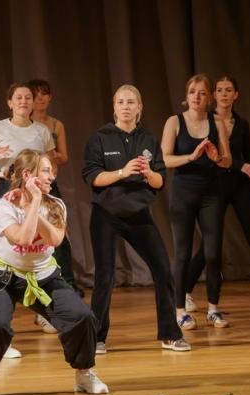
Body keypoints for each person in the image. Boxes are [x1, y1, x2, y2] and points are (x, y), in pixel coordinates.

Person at [0, 149, 108, 395]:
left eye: (52, 171)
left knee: (82, 317)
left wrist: (32, 206)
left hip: (42, 275)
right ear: (28, 175)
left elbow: (55, 239)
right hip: (0, 276)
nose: (52, 177)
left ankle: (84, 374)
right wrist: (32, 204)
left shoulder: (56, 204)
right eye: (46, 171)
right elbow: (23, 238)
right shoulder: (4, 205)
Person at [82, 84, 189, 355]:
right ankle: (97, 338)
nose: (126, 107)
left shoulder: (149, 139)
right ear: (114, 107)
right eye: (120, 102)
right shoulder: (100, 137)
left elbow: (160, 180)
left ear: (139, 107)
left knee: (163, 270)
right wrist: (122, 171)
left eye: (131, 102)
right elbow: (93, 177)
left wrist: (148, 173)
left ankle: (170, 334)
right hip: (106, 214)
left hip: (138, 214)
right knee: (105, 276)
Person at [184, 77, 250, 312]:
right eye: (219, 90)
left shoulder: (242, 124)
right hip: (214, 187)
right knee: (209, 245)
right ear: (214, 95)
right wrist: (240, 165)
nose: (224, 94)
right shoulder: (207, 121)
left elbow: (248, 158)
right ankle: (184, 292)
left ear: (236, 95)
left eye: (229, 90)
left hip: (239, 186)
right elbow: (210, 157)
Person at [0, 83, 62, 337]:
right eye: (18, 97)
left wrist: (46, 181)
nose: (23, 101)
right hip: (6, 187)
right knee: (11, 244)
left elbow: (52, 161)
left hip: (36, 190)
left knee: (42, 242)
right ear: (9, 102)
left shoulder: (41, 130)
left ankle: (44, 311)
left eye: (28, 97)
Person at [161, 74, 232, 330]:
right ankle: (180, 311)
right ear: (186, 95)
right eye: (192, 92)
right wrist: (191, 157)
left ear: (209, 97)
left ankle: (213, 309)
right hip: (183, 194)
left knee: (213, 254)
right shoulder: (174, 122)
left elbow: (228, 160)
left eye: (202, 93)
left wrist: (216, 158)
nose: (196, 97)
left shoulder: (217, 122)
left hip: (211, 194)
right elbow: (164, 159)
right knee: (182, 254)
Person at [28, 78, 84, 296]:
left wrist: (47, 154)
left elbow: (63, 156)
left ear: (50, 97)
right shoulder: (25, 123)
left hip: (49, 183)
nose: (40, 98)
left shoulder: (55, 125)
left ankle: (68, 282)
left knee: (59, 231)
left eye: (44, 94)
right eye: (35, 95)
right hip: (28, 184)